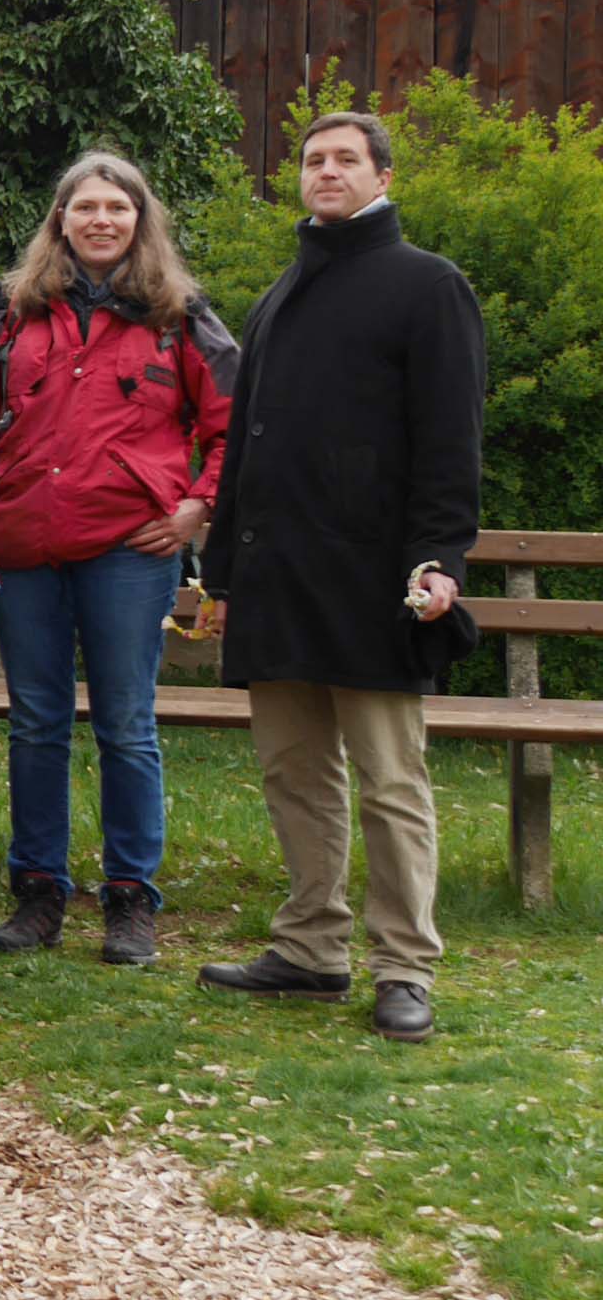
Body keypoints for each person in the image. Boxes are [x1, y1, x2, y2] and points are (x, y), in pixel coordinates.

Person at [195, 112, 485, 1045]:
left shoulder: (428, 285)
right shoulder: (281, 292)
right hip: (277, 578)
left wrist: (438, 558)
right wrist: (223, 572)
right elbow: (247, 447)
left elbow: (450, 444)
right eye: (314, 159)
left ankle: (404, 967)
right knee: (294, 775)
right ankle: (312, 949)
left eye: (345, 159)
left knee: (391, 782)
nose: (326, 171)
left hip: (374, 581)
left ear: (383, 176)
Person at [0, 153, 238, 966]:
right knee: (36, 724)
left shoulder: (180, 315)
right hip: (23, 544)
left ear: (139, 220)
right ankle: (38, 893)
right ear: (60, 219)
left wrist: (199, 505)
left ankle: (130, 899)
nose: (101, 220)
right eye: (85, 206)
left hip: (129, 547)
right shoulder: (12, 313)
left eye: (117, 208)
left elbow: (236, 422)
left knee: (126, 725)